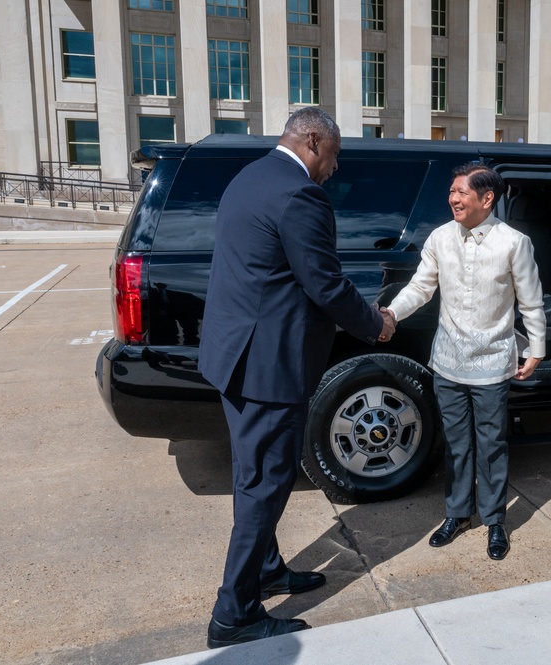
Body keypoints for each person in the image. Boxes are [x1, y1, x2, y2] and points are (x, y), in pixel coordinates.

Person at [198, 107, 395, 649]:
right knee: (264, 484)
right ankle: (233, 613)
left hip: (236, 356)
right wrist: (375, 323)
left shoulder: (251, 176)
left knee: (251, 475)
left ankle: (265, 568)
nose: (333, 169)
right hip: (268, 366)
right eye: (332, 156)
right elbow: (324, 284)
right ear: (313, 140)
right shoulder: (300, 194)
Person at [384, 164, 546, 561]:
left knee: (491, 444)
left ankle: (494, 521)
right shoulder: (440, 237)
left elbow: (531, 299)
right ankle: (457, 514)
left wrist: (536, 346)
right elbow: (420, 287)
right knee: (457, 444)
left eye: (461, 192)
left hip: (493, 361)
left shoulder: (514, 243)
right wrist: (390, 314)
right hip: (448, 361)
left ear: (487, 198)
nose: (453, 198)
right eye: (452, 192)